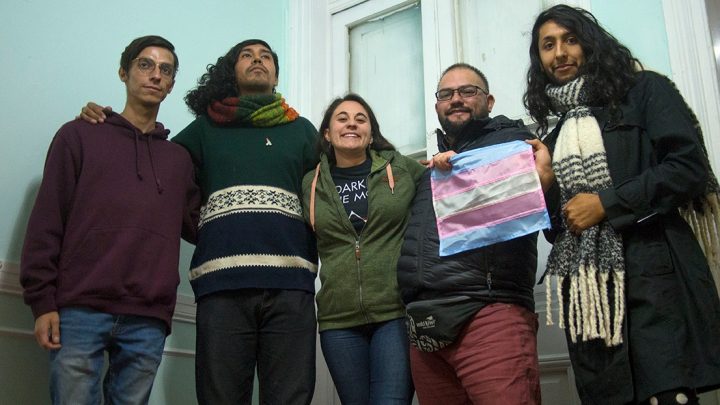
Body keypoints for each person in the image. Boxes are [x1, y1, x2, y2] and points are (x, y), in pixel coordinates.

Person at [79, 39, 319, 404]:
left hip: (292, 288)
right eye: (247, 56)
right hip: (221, 289)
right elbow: (152, 159)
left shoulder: (301, 130)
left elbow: (331, 192)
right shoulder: (205, 129)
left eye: (266, 57)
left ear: (275, 75)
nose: (258, 60)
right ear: (231, 72)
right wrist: (105, 124)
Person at [524, 5, 720, 405]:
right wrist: (546, 185)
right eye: (548, 45)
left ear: (590, 44)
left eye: (570, 40)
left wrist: (607, 204)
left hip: (656, 277)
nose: (560, 53)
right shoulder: (556, 137)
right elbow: (561, 230)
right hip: (592, 305)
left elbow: (688, 169)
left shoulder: (644, 90)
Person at [20, 35, 200, 404]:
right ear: (123, 72)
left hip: (148, 318)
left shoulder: (178, 160)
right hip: (79, 310)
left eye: (166, 70)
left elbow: (200, 226)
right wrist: (42, 302)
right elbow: (47, 221)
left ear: (171, 85)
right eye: (145, 65)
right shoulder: (78, 135)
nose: (155, 75)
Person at [396, 63, 549, 405]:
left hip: (487, 315)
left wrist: (467, 169)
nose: (456, 99)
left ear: (489, 101)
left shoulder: (513, 143)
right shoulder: (433, 170)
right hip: (425, 326)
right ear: (437, 105)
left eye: (468, 91)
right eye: (446, 94)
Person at [302, 94, 425, 404]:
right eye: (342, 118)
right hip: (338, 321)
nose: (352, 124)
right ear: (327, 134)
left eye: (361, 119)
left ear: (371, 134)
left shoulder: (400, 168)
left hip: (395, 313)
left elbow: (443, 188)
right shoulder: (310, 184)